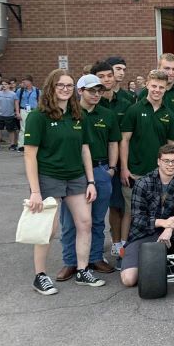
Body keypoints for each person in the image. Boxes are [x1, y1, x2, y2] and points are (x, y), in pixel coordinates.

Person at [22, 68, 104, 294]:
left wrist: (90, 181)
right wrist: (35, 192)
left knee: (85, 222)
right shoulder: (38, 116)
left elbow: (85, 149)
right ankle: (40, 276)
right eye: (61, 85)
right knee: (47, 228)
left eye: (69, 85)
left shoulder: (79, 115)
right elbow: (29, 155)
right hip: (48, 176)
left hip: (76, 176)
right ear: (51, 88)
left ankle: (82, 270)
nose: (65, 89)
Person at [56, 74, 119, 280]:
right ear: (80, 91)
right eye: (92, 90)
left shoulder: (108, 115)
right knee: (69, 221)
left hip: (100, 170)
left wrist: (111, 169)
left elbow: (113, 143)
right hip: (74, 172)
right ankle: (70, 262)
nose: (97, 94)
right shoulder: (69, 113)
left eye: (100, 91)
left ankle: (95, 257)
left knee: (97, 219)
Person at [120, 144, 174, 287]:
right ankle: (151, 261)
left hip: (172, 232)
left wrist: (168, 228)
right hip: (143, 234)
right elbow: (137, 219)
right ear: (158, 161)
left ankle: (173, 257)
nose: (170, 165)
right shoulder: (143, 182)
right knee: (129, 280)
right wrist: (163, 223)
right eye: (166, 160)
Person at [120, 70, 174, 224]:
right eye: (154, 86)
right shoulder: (134, 110)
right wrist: (124, 168)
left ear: (166, 88)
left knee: (158, 214)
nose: (157, 90)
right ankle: (125, 247)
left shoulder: (169, 115)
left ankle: (154, 247)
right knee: (131, 214)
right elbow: (124, 140)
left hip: (160, 175)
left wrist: (173, 170)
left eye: (161, 87)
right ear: (146, 85)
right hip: (135, 173)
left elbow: (172, 146)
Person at [94, 60, 134, 261]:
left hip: (120, 163)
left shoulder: (127, 102)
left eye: (109, 75)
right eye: (101, 77)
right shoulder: (91, 101)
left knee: (118, 205)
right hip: (96, 162)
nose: (106, 80)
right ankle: (94, 247)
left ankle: (118, 244)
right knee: (96, 208)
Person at [15, 75, 40, 153]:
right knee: (23, 128)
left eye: (24, 81)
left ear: (30, 82)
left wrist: (40, 112)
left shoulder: (37, 90)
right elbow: (16, 101)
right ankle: (21, 145)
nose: (23, 83)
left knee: (35, 128)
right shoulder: (20, 90)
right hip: (23, 110)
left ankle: (34, 143)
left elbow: (40, 102)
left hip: (34, 110)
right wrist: (17, 112)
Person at [0, 78, 19, 151]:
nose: (4, 85)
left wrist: (17, 113)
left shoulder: (13, 94)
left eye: (5, 84)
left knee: (11, 130)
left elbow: (16, 104)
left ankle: (12, 145)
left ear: (9, 85)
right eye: (2, 84)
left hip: (10, 115)